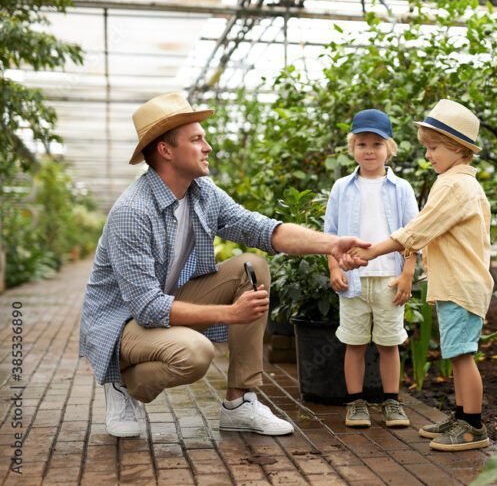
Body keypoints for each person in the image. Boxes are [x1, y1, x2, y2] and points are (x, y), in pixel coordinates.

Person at [79, 93, 368, 438]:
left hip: (168, 299)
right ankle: (120, 382)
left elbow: (261, 229)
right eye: (197, 139)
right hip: (122, 321)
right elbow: (147, 307)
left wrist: (331, 244)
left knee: (253, 267)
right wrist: (230, 315)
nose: (208, 147)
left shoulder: (203, 192)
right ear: (166, 150)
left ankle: (240, 402)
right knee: (195, 354)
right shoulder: (133, 212)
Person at [349, 99, 493, 451]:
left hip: (461, 284)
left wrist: (372, 251)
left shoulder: (453, 186)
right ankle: (461, 416)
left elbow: (417, 230)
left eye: (434, 147)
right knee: (458, 352)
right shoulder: (458, 182)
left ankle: (473, 426)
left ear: (458, 149)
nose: (428, 155)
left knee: (462, 355)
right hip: (457, 283)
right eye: (427, 147)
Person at [324, 109, 419, 429]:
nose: (369, 150)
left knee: (389, 343)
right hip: (352, 280)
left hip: (389, 279)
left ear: (389, 148)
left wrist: (407, 273)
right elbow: (331, 234)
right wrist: (334, 267)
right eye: (362, 143)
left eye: (376, 144)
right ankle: (356, 403)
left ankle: (391, 401)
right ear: (353, 148)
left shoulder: (401, 188)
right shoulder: (341, 187)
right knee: (354, 343)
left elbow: (413, 234)